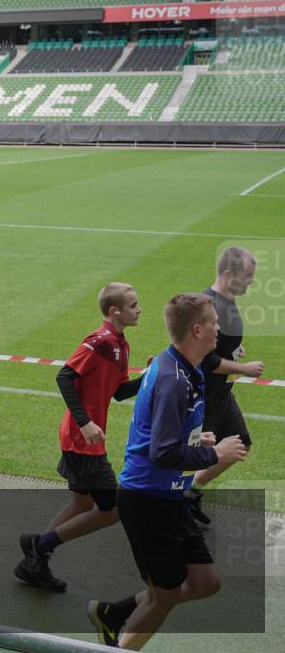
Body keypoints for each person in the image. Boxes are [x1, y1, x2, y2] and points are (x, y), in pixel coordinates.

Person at [87, 293, 247, 649]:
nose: (219, 329)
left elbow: (167, 435)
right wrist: (214, 454)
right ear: (196, 331)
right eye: (214, 323)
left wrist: (199, 439)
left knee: (205, 582)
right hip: (149, 499)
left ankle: (114, 614)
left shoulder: (184, 366)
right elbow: (162, 453)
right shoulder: (174, 379)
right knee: (164, 596)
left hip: (169, 496)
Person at [14, 283, 146, 592]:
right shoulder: (100, 341)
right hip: (81, 440)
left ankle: (36, 560)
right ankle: (38, 546)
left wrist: (147, 377)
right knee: (112, 509)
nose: (139, 310)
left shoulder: (121, 345)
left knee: (83, 503)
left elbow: (120, 392)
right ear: (114, 311)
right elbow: (64, 376)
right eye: (133, 305)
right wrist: (85, 423)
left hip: (88, 439)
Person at [185, 247, 264, 525]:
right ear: (229, 275)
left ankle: (190, 493)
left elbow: (217, 346)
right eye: (248, 275)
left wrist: (233, 350)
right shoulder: (210, 307)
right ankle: (169, 510)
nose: (251, 281)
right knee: (192, 457)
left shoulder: (226, 301)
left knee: (240, 444)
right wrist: (244, 368)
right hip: (203, 397)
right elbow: (205, 360)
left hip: (222, 395)